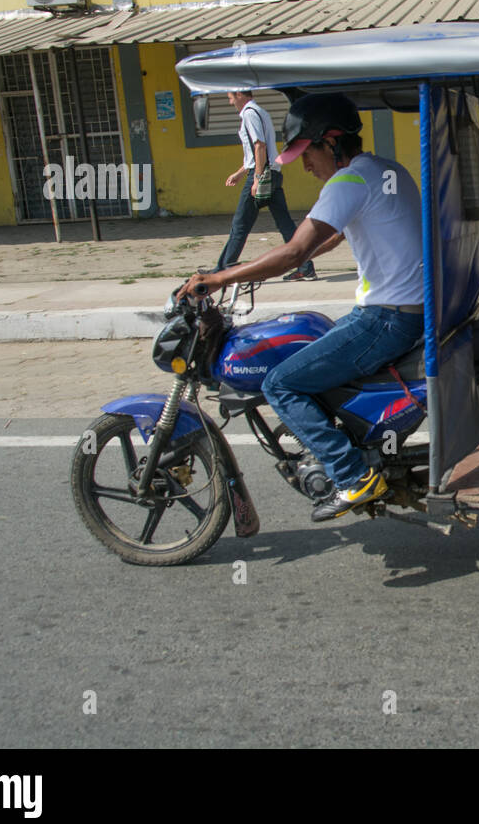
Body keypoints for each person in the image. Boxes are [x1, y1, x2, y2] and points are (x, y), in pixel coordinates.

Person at [180, 93, 424, 521]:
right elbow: (343, 231)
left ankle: (352, 477)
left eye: (307, 153)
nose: (306, 166)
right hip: (401, 310)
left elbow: (294, 254)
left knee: (280, 383)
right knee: (312, 344)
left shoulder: (347, 181)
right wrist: (315, 248)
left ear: (330, 142)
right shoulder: (385, 169)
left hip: (386, 318)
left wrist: (218, 278)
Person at [214, 89, 317, 282]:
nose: (230, 103)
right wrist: (239, 173)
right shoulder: (261, 111)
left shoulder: (249, 114)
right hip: (273, 172)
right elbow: (258, 152)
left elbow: (259, 146)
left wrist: (257, 178)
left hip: (263, 174)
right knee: (285, 224)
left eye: (230, 98)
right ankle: (306, 267)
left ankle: (223, 270)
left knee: (240, 225)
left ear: (239, 94)